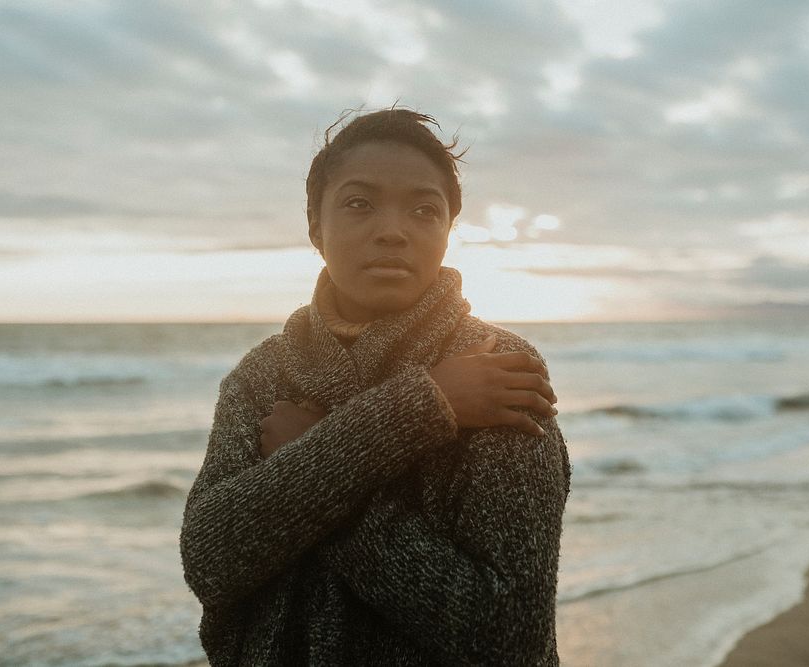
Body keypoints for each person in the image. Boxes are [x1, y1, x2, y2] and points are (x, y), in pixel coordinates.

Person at [180, 107, 571, 666]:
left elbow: (507, 634)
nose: (393, 230)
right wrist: (424, 406)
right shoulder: (260, 378)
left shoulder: (496, 367)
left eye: (423, 210)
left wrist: (306, 468)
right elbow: (210, 562)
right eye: (359, 203)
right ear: (316, 226)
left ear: (447, 231)